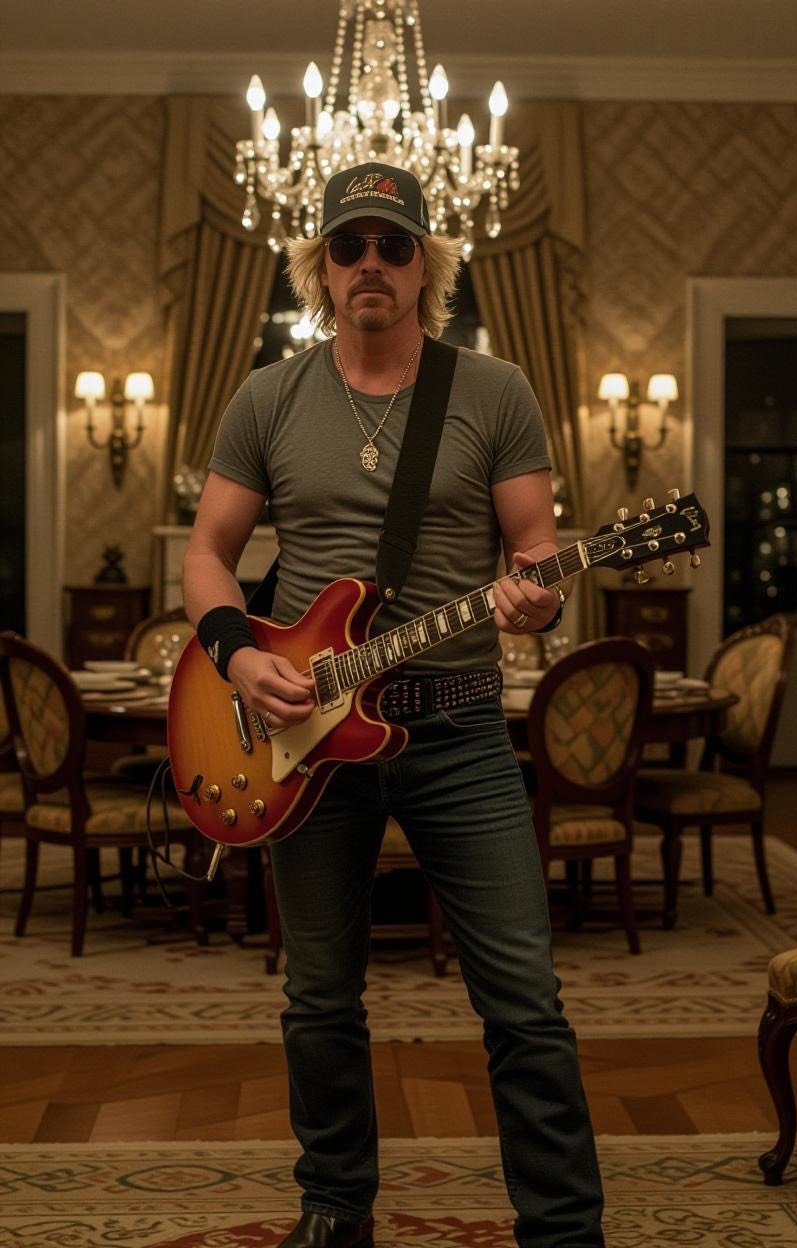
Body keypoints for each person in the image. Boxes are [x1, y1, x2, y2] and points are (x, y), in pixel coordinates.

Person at [182, 161, 605, 1248]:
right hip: (305, 735)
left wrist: (538, 598)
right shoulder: (268, 396)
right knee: (319, 995)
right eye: (349, 245)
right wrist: (238, 656)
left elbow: (536, 552)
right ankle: (334, 1209)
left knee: (523, 996)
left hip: (458, 723)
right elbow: (209, 555)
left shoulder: (495, 390)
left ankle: (564, 1230)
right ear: (318, 268)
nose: (370, 262)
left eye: (393, 244)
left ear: (428, 265)